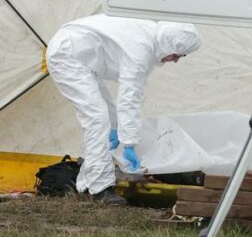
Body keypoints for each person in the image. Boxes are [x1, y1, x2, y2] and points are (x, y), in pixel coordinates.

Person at [45, 14, 201, 205]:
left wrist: (116, 128)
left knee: (105, 114)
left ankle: (86, 183)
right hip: (67, 56)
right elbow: (129, 99)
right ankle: (100, 189)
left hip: (77, 53)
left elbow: (126, 98)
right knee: (97, 118)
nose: (175, 60)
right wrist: (129, 143)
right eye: (178, 55)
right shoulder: (141, 49)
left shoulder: (149, 37)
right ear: (169, 45)